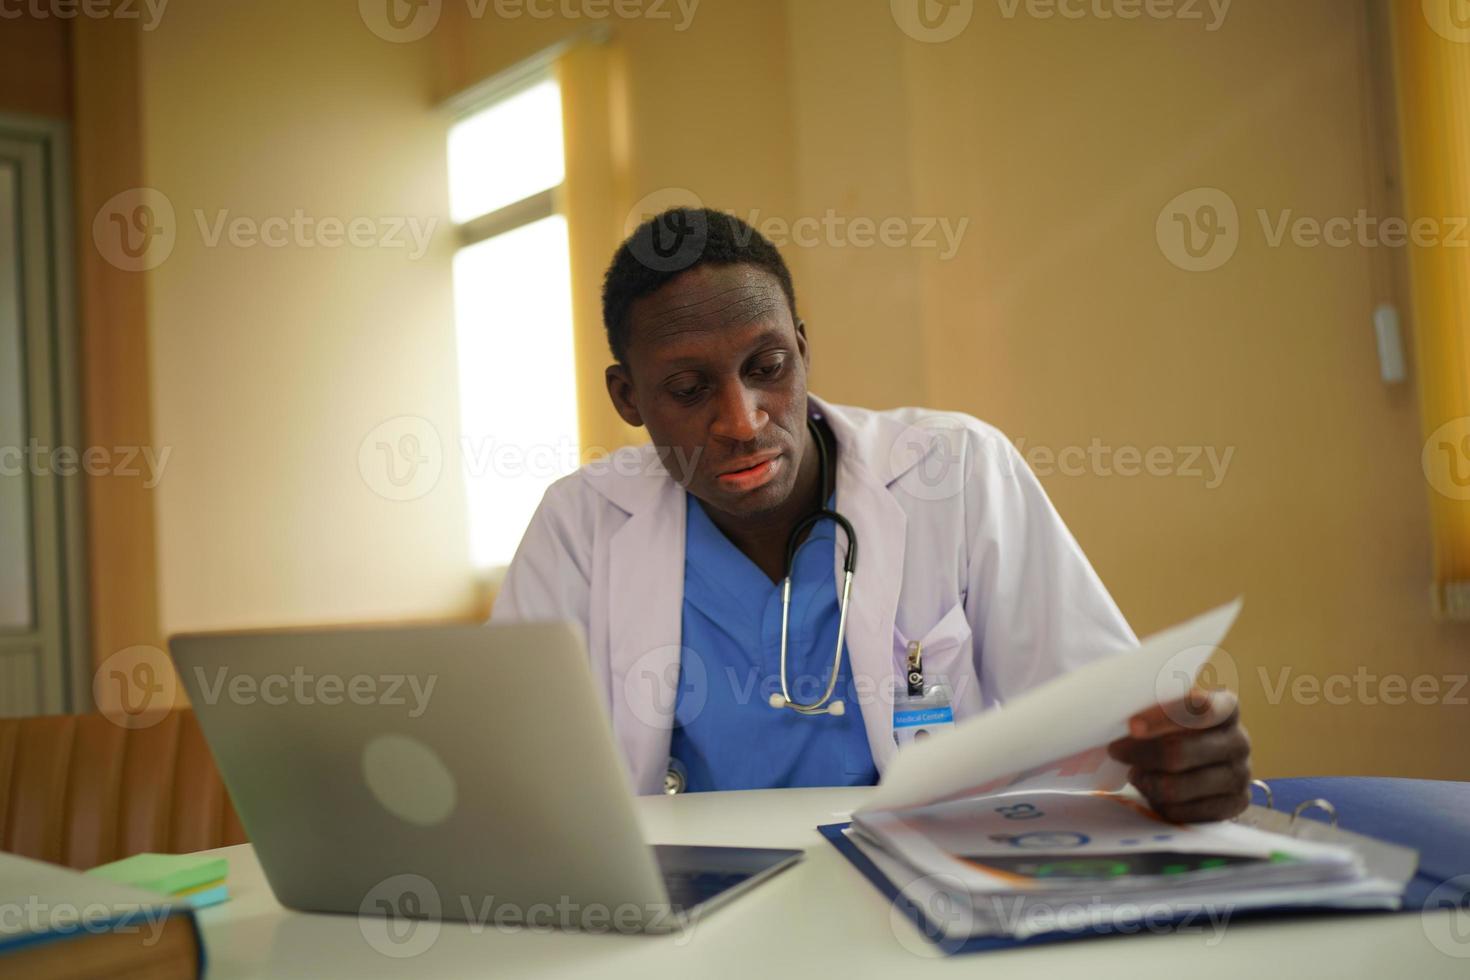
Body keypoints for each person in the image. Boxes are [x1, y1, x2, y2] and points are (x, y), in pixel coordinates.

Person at [492, 207, 1251, 822]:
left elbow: (1107, 718)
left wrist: (1177, 759)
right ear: (628, 398)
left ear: (802, 346)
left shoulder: (953, 473)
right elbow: (517, 785)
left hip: (932, 884)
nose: (744, 420)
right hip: (698, 915)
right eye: (689, 389)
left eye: (767, 368)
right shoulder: (579, 528)